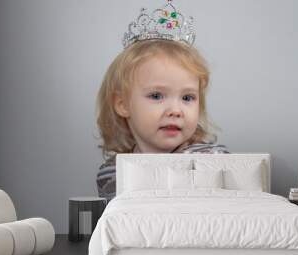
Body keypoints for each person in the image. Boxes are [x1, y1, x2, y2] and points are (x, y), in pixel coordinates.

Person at [95, 1, 229, 202]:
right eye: (156, 96)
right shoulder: (112, 172)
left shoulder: (210, 159)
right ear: (122, 104)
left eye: (187, 98)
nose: (176, 110)